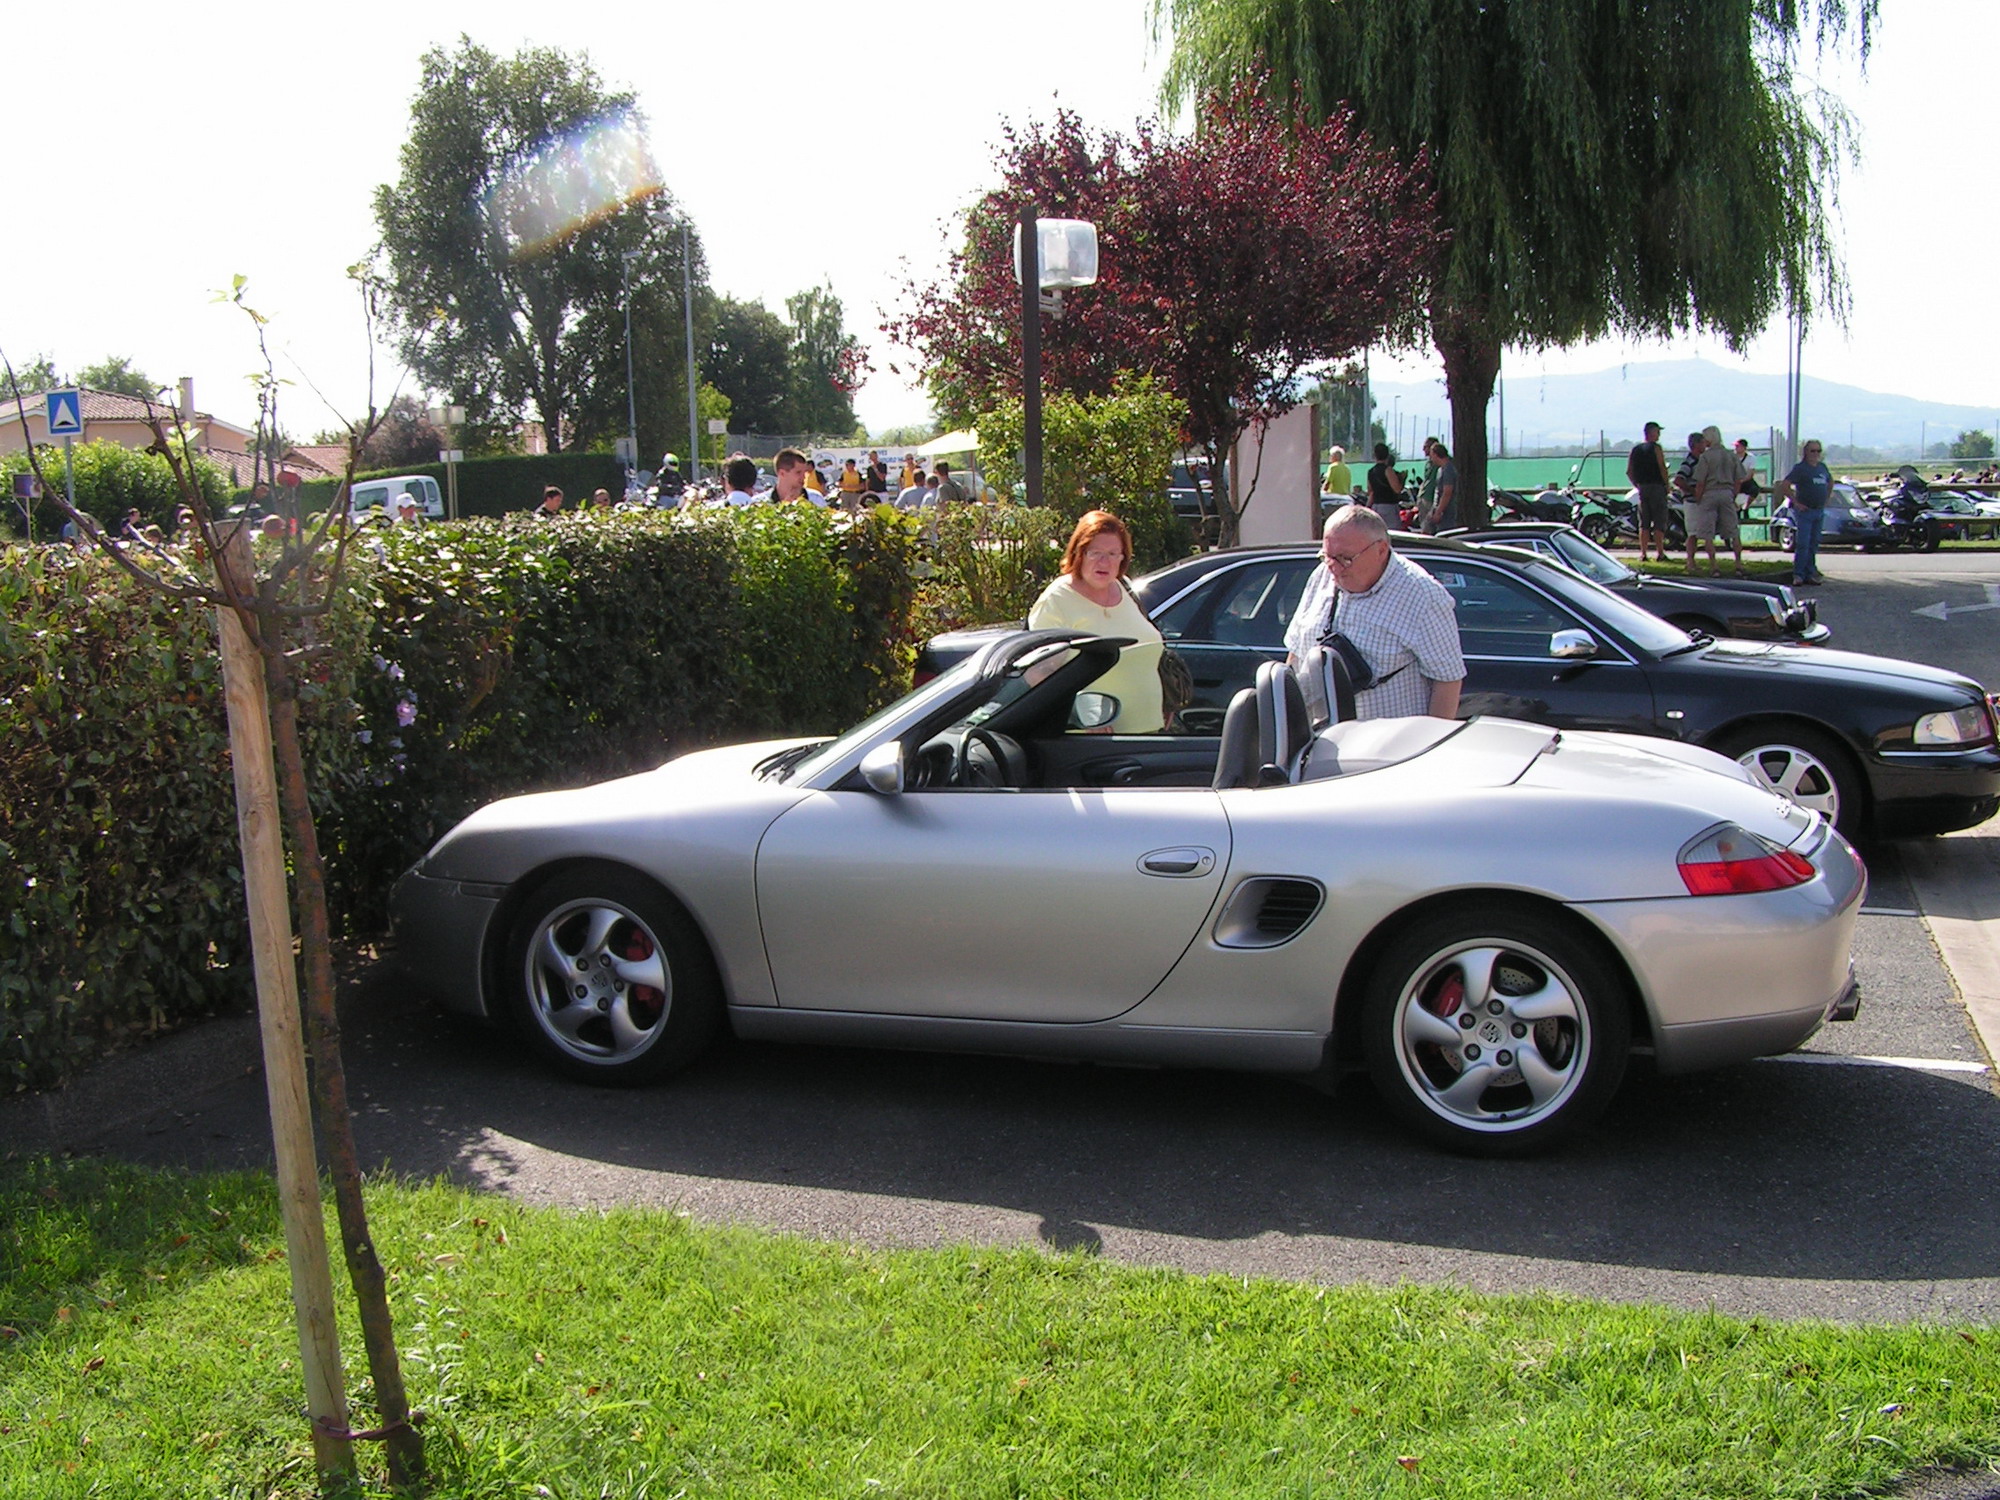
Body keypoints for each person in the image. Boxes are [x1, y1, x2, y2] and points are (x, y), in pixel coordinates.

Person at [1283, 503, 1464, 721]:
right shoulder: (1322, 575)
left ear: (1381, 550)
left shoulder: (1423, 596)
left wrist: (1432, 739)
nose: (1334, 568)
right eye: (1327, 556)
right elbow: (1296, 652)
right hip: (1319, 736)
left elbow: (1448, 681)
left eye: (1345, 558)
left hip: (1391, 740)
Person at [1026, 510, 1165, 733]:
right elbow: (1039, 673)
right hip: (1094, 741)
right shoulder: (1058, 599)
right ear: (1079, 554)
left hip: (1148, 734)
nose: (1104, 562)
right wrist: (1085, 716)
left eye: (1113, 554)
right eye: (1095, 553)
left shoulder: (1123, 588)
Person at [1687, 424, 1746, 576]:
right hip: (1727, 492)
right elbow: (1739, 479)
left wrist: (1698, 498)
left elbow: (1700, 481)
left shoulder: (1706, 457)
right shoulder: (1731, 455)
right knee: (1733, 531)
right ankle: (1738, 564)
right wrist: (1733, 495)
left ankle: (1714, 566)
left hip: (1709, 493)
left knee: (1708, 534)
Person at [1777, 439, 1832, 586]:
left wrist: (1826, 499)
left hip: (1818, 510)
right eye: (1812, 451)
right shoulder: (1800, 468)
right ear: (1806, 452)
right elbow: (1785, 485)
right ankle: (1798, 574)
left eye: (1818, 451)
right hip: (1805, 511)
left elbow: (1830, 482)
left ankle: (1810, 573)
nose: (1815, 454)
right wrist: (1795, 502)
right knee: (1803, 543)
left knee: (1814, 543)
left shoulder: (1822, 468)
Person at [1626, 421, 1672, 562]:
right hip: (1657, 487)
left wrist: (1637, 485)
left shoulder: (1635, 450)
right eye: (1657, 432)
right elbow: (1662, 467)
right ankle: (1660, 553)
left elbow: (1629, 471)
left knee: (1644, 523)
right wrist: (1667, 484)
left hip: (1643, 488)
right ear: (1651, 433)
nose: (1659, 435)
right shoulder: (1656, 448)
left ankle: (1643, 553)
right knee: (1659, 521)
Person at [1365, 442, 1405, 530]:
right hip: (1389, 506)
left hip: (1376, 506)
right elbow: (1397, 489)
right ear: (1387, 455)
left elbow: (1370, 491)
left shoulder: (1371, 471)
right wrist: (1402, 479)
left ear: (1375, 455)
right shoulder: (1388, 470)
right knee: (1392, 532)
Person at [1428, 442, 1459, 533]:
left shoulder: (1448, 469)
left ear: (1435, 454)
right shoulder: (1440, 469)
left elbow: (1447, 492)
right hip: (1438, 509)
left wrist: (1439, 512)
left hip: (1447, 513)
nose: (1431, 459)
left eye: (1431, 455)